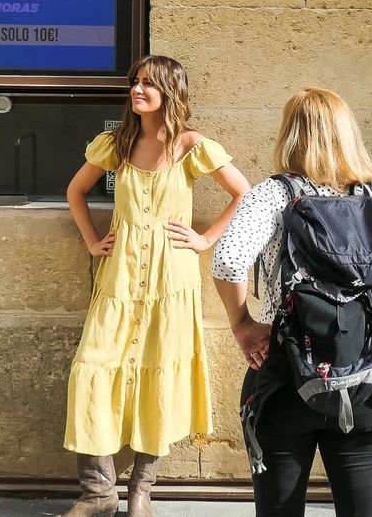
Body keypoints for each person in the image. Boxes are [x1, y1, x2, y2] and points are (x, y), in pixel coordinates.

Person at [210, 87, 372, 517]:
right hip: (368, 383)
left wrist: (242, 324)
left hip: (285, 377)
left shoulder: (275, 194)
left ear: (290, 135)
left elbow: (227, 261)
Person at [61, 55, 251, 517]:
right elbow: (75, 191)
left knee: (160, 376)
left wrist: (204, 238)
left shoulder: (192, 146)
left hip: (172, 279)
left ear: (170, 91)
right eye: (135, 82)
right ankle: (98, 493)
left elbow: (245, 192)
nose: (137, 90)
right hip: (120, 278)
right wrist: (91, 240)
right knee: (91, 368)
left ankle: (141, 491)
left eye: (149, 83)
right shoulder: (115, 144)